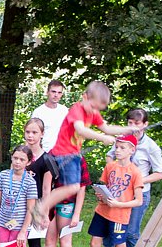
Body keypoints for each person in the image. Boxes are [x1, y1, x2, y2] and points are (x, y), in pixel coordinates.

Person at [32, 81, 138, 229]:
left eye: (98, 109)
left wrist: (127, 129)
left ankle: (43, 205)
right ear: (85, 97)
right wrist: (102, 138)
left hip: (74, 155)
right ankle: (42, 205)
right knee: (72, 187)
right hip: (63, 153)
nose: (95, 111)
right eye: (94, 106)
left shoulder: (92, 112)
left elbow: (106, 128)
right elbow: (80, 129)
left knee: (74, 187)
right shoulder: (77, 109)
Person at [98, 108, 162, 247]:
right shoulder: (122, 140)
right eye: (130, 123)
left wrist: (138, 181)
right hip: (117, 192)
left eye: (137, 123)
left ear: (145, 125)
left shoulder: (151, 147)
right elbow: (109, 155)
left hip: (137, 195)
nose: (133, 127)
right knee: (110, 227)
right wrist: (112, 170)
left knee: (131, 233)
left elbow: (161, 173)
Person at [76, 135, 143, 247]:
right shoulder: (110, 166)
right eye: (117, 147)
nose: (117, 150)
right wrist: (101, 195)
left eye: (122, 148)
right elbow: (107, 188)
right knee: (94, 244)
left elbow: (138, 201)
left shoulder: (135, 172)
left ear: (132, 150)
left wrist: (119, 204)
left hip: (119, 217)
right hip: (102, 212)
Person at [37, 158, 90, 247]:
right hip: (53, 203)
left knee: (65, 242)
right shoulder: (52, 156)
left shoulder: (78, 160)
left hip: (68, 205)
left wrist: (76, 214)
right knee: (49, 240)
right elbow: (47, 186)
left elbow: (81, 188)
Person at [22, 118, 55, 247]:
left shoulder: (46, 159)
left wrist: (43, 213)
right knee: (14, 242)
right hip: (18, 205)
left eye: (35, 132)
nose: (31, 136)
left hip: (36, 207)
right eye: (28, 132)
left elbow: (46, 189)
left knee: (34, 244)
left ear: (42, 134)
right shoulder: (20, 154)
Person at [31, 80, 68, 152]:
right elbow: (32, 135)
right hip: (44, 153)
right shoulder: (38, 112)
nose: (56, 95)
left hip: (63, 154)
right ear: (47, 92)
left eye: (59, 92)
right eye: (53, 91)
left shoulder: (64, 110)